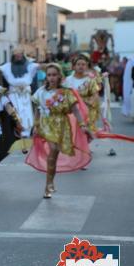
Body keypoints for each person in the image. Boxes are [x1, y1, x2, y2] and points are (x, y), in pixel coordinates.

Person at [26, 64, 93, 198]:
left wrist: (82, 125)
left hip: (62, 125)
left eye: (54, 75)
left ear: (59, 76)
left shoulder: (67, 92)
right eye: (49, 75)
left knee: (54, 155)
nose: (51, 77)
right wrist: (36, 125)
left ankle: (49, 183)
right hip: (46, 124)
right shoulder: (41, 92)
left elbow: (75, 110)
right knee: (54, 149)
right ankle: (49, 183)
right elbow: (38, 110)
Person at [0, 47, 40, 139]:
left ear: (23, 55)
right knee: (16, 112)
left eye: (20, 54)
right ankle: (16, 130)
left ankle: (28, 131)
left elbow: (40, 66)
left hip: (25, 95)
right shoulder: (7, 66)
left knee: (27, 112)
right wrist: (1, 85)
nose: (18, 56)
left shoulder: (29, 65)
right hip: (13, 94)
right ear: (13, 56)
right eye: (16, 55)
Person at [64, 54, 101, 132]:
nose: (81, 66)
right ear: (74, 67)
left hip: (86, 109)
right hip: (71, 109)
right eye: (78, 64)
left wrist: (88, 104)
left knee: (86, 132)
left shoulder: (90, 80)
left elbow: (95, 94)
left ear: (86, 66)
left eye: (83, 64)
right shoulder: (67, 80)